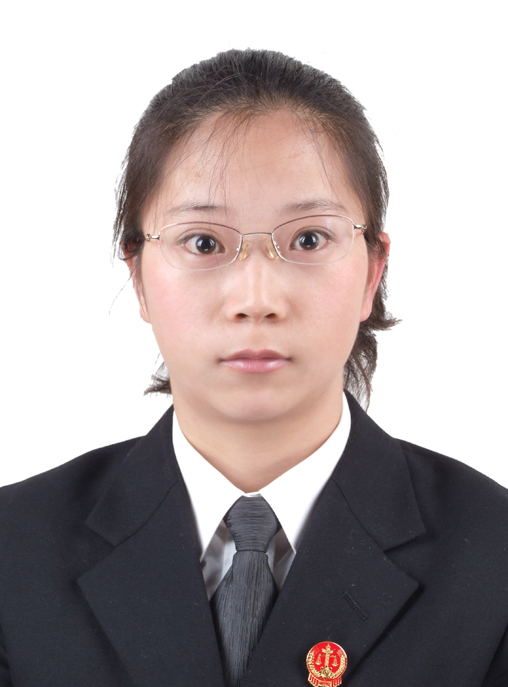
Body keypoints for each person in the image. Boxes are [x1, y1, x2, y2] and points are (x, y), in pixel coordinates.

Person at [0, 49, 507, 687]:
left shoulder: (494, 560)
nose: (257, 299)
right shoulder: (14, 551)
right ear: (139, 276)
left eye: (309, 239)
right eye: (204, 242)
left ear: (372, 273)